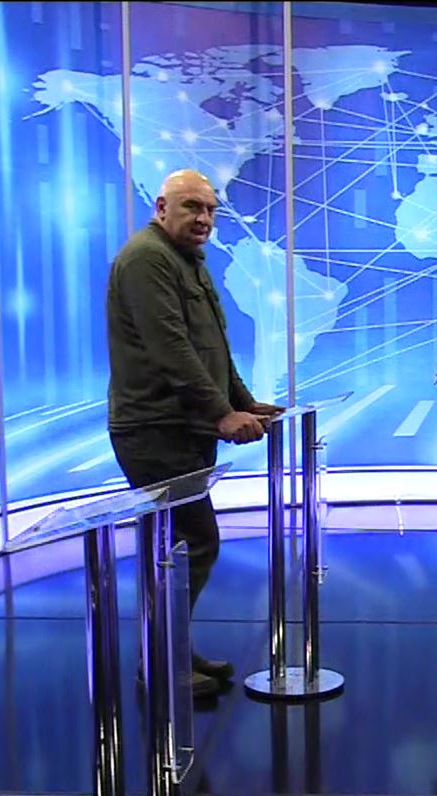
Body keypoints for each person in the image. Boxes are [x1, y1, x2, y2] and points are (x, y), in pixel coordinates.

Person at [107, 168, 282, 699]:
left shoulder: (187, 259)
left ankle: (171, 649)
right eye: (191, 207)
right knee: (190, 542)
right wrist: (221, 413)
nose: (204, 218)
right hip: (155, 429)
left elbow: (213, 346)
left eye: (210, 210)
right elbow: (171, 349)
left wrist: (241, 402)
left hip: (183, 426)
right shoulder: (147, 259)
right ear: (161, 207)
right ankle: (159, 662)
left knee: (183, 544)